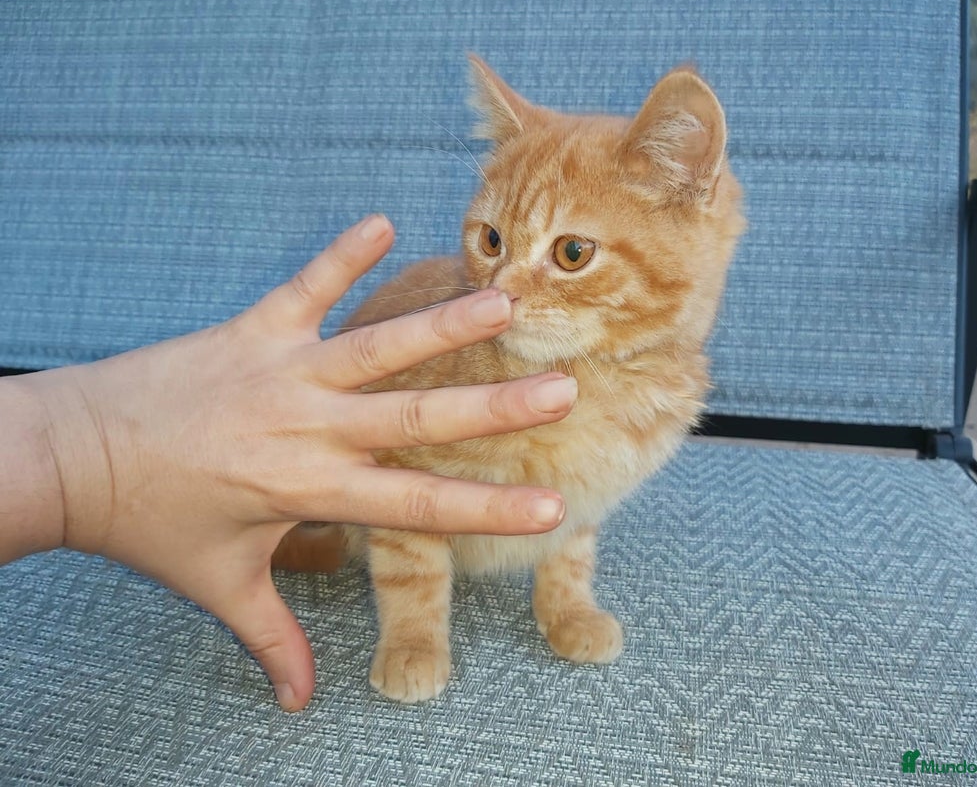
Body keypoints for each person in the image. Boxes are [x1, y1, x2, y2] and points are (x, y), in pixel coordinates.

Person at [0, 215, 577, 712]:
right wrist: (88, 459)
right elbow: (401, 479)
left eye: (571, 253)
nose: (505, 288)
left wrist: (76, 444)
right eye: (494, 243)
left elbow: (585, 503)